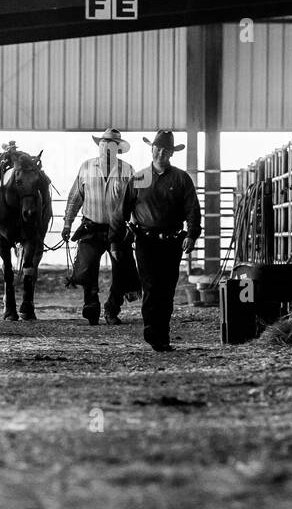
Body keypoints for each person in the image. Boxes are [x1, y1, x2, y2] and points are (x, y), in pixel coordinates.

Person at [114, 130, 201, 351]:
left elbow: (192, 209)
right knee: (151, 286)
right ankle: (152, 331)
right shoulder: (139, 178)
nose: (161, 153)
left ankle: (162, 333)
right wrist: (116, 240)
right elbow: (122, 210)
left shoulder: (181, 179)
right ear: (152, 149)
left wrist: (191, 235)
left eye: (166, 150)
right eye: (158, 148)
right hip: (145, 241)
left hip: (172, 242)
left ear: (172, 153)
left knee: (167, 289)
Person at [61, 129, 140, 325]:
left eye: (112, 145)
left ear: (118, 150)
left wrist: (134, 225)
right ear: (99, 145)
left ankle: (113, 308)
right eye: (104, 144)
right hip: (91, 226)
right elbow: (75, 197)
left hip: (118, 230)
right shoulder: (86, 167)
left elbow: (136, 201)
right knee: (86, 266)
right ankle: (91, 304)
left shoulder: (128, 171)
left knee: (122, 269)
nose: (106, 148)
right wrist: (67, 223)